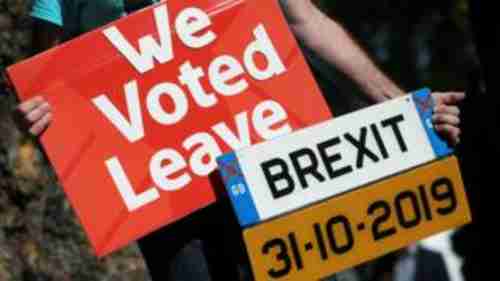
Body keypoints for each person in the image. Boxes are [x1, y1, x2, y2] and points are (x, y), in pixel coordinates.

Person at [13, 0, 465, 280]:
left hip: (266, 162)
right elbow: (44, 78)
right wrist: (37, 111)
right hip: (158, 191)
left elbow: (303, 17)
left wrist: (399, 104)